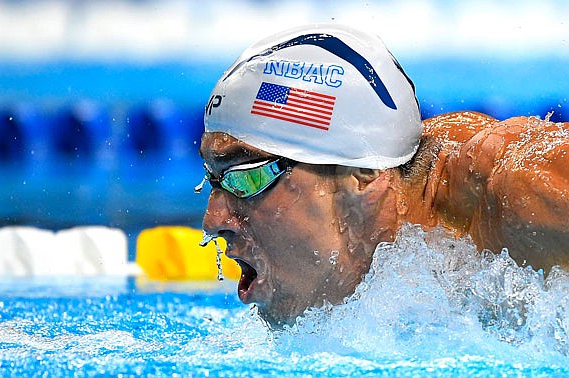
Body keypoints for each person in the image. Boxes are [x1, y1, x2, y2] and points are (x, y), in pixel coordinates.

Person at [195, 24, 569, 327]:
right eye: (213, 180)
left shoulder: (523, 193)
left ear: (364, 173)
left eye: (244, 177)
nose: (212, 221)